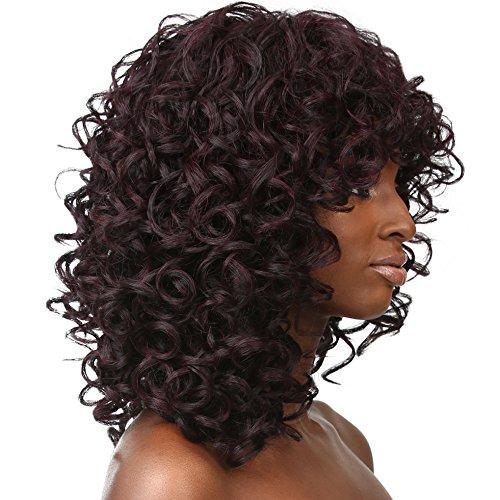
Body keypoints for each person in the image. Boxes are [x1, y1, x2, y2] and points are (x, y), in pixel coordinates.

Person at [46, 2, 464, 498]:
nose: (405, 224)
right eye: (358, 186)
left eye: (398, 185)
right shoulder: (174, 475)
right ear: (252, 205)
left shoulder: (341, 439)